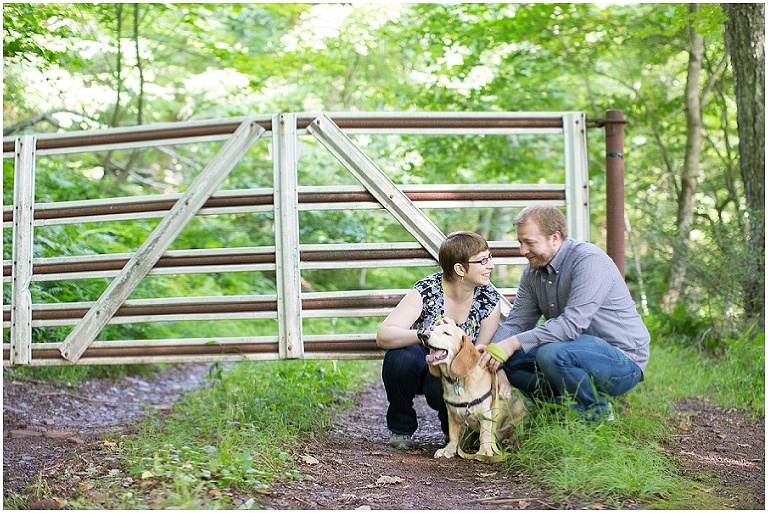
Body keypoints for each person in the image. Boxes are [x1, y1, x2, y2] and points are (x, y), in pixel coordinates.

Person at [478, 205, 650, 421]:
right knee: (510, 360)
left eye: (530, 243)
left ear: (555, 238)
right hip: (571, 351)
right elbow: (517, 323)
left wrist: (512, 343)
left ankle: (596, 413)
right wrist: (491, 354)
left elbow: (571, 325)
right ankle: (561, 409)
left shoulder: (588, 261)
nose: (523, 251)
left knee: (550, 354)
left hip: (622, 360)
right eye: (520, 243)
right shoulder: (532, 272)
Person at [376, 231, 502, 449]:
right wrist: (425, 335)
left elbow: (478, 356)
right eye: (483, 261)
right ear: (460, 269)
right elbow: (384, 334)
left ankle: (454, 432)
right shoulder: (427, 289)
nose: (490, 265)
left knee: (448, 379)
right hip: (424, 361)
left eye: (489, 257)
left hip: (457, 371)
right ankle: (401, 429)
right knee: (399, 359)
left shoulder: (489, 299)